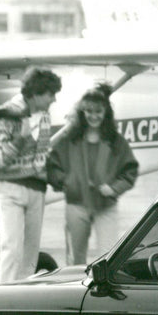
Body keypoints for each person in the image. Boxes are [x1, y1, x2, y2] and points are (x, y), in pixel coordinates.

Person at [0, 67, 62, 283]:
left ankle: (21, 303)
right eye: (50, 94)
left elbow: (42, 158)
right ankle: (4, 300)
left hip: (36, 190)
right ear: (36, 93)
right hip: (10, 189)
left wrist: (58, 177)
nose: (53, 99)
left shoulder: (44, 116)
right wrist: (19, 140)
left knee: (29, 256)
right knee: (12, 250)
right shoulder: (8, 115)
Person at [47, 84, 138, 266]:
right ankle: (74, 293)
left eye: (98, 111)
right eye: (89, 111)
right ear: (82, 112)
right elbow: (52, 165)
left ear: (106, 112)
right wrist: (67, 182)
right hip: (76, 205)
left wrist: (113, 189)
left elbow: (130, 170)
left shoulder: (116, 141)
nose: (93, 116)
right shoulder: (70, 140)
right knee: (75, 260)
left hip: (106, 207)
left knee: (108, 257)